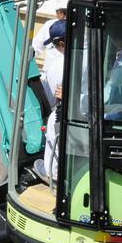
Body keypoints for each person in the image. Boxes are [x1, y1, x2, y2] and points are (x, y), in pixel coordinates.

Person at [39, 18, 66, 180]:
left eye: (55, 45)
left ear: (61, 44)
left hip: (64, 112)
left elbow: (51, 98)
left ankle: (52, 175)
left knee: (52, 131)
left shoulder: (58, 66)